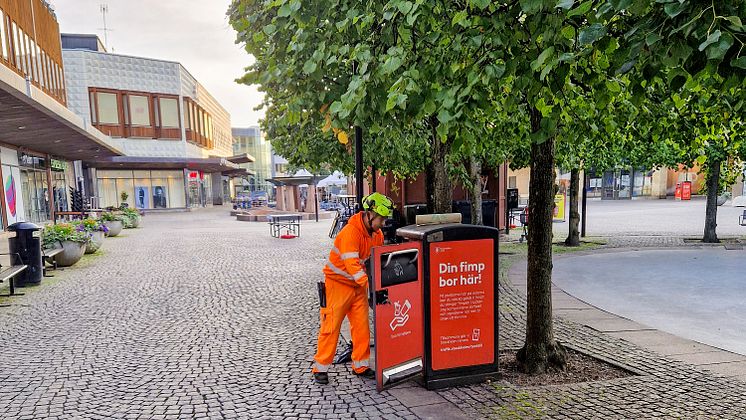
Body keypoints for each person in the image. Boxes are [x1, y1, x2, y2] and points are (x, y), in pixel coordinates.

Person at [312, 192, 394, 384]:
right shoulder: (350, 233)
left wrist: (379, 286)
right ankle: (320, 368)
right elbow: (354, 268)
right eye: (381, 219)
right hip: (337, 285)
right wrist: (375, 291)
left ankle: (361, 365)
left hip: (357, 286)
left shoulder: (377, 234)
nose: (383, 223)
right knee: (330, 327)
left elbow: (376, 263)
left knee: (361, 327)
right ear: (370, 214)